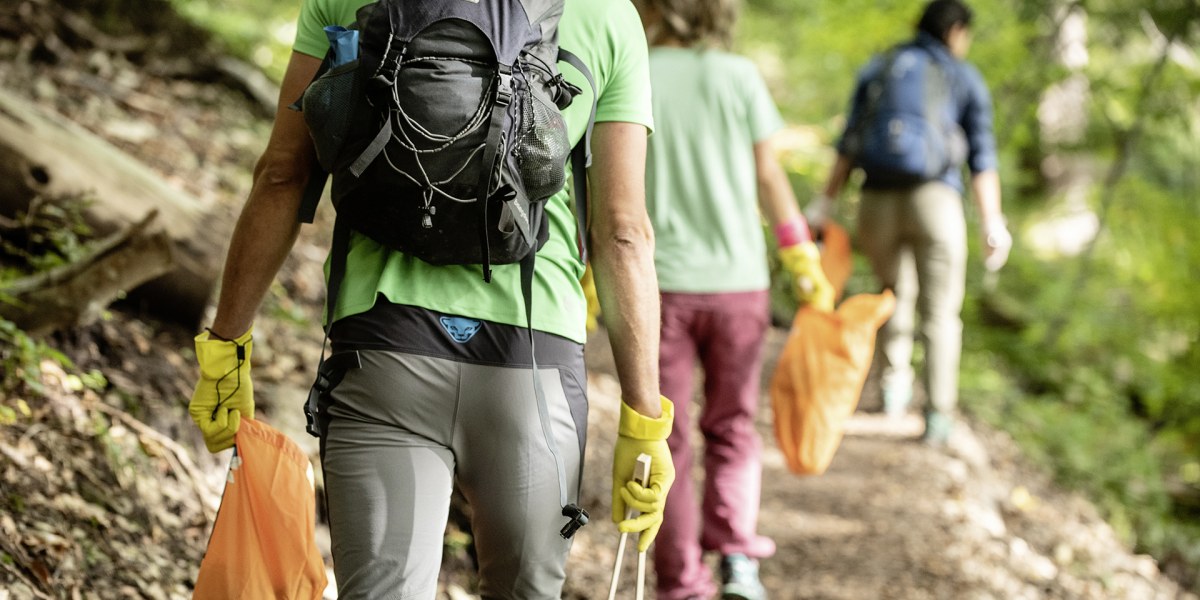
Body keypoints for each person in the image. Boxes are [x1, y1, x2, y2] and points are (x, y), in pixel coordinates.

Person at [185, 0, 677, 597]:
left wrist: (227, 345)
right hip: (532, 365)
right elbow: (622, 232)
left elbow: (282, 175)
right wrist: (643, 420)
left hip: (382, 350)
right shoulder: (608, 14)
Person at [632, 1, 834, 598]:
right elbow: (769, 176)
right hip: (739, 284)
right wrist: (801, 255)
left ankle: (679, 580)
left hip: (656, 287)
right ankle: (738, 560)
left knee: (663, 435)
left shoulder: (634, 69)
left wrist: (595, 274)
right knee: (733, 426)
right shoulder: (739, 75)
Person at [809, 0, 1012, 445]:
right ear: (956, 30)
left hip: (876, 199)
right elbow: (982, 156)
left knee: (891, 293)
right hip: (936, 201)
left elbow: (849, 141)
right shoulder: (962, 76)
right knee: (940, 313)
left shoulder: (881, 68)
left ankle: (893, 391)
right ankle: (937, 416)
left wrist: (823, 202)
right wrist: (992, 220)